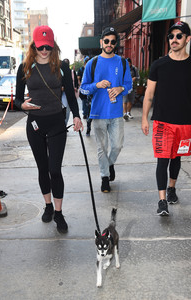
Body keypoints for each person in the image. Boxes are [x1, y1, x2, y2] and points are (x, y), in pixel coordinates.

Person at [15, 25, 83, 233]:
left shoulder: (62, 67)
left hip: (56, 122)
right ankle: (48, 206)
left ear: (53, 46)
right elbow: (17, 99)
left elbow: (71, 96)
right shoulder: (25, 67)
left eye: (48, 46)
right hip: (34, 124)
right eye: (40, 46)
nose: (44, 50)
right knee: (42, 168)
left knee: (55, 169)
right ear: (33, 46)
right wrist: (22, 105)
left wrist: (78, 115)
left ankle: (59, 213)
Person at [141, 21, 191, 216]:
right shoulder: (158, 64)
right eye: (171, 36)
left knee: (177, 157)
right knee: (162, 160)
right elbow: (149, 94)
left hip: (186, 123)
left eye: (179, 36)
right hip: (163, 122)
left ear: (187, 39)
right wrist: (144, 118)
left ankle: (171, 189)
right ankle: (162, 201)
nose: (174, 40)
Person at [80, 27, 132, 192]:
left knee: (116, 145)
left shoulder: (122, 62)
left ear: (116, 44)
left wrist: (120, 89)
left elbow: (129, 85)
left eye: (113, 42)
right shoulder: (92, 63)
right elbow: (83, 89)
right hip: (98, 113)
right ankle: (104, 177)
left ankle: (109, 165)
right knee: (102, 148)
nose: (109, 44)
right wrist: (97, 85)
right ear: (101, 42)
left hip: (116, 113)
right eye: (107, 41)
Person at [62, 58, 79, 124]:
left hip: (68, 93)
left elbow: (75, 80)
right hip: (61, 95)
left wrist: (76, 87)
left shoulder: (70, 71)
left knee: (67, 110)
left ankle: (65, 124)